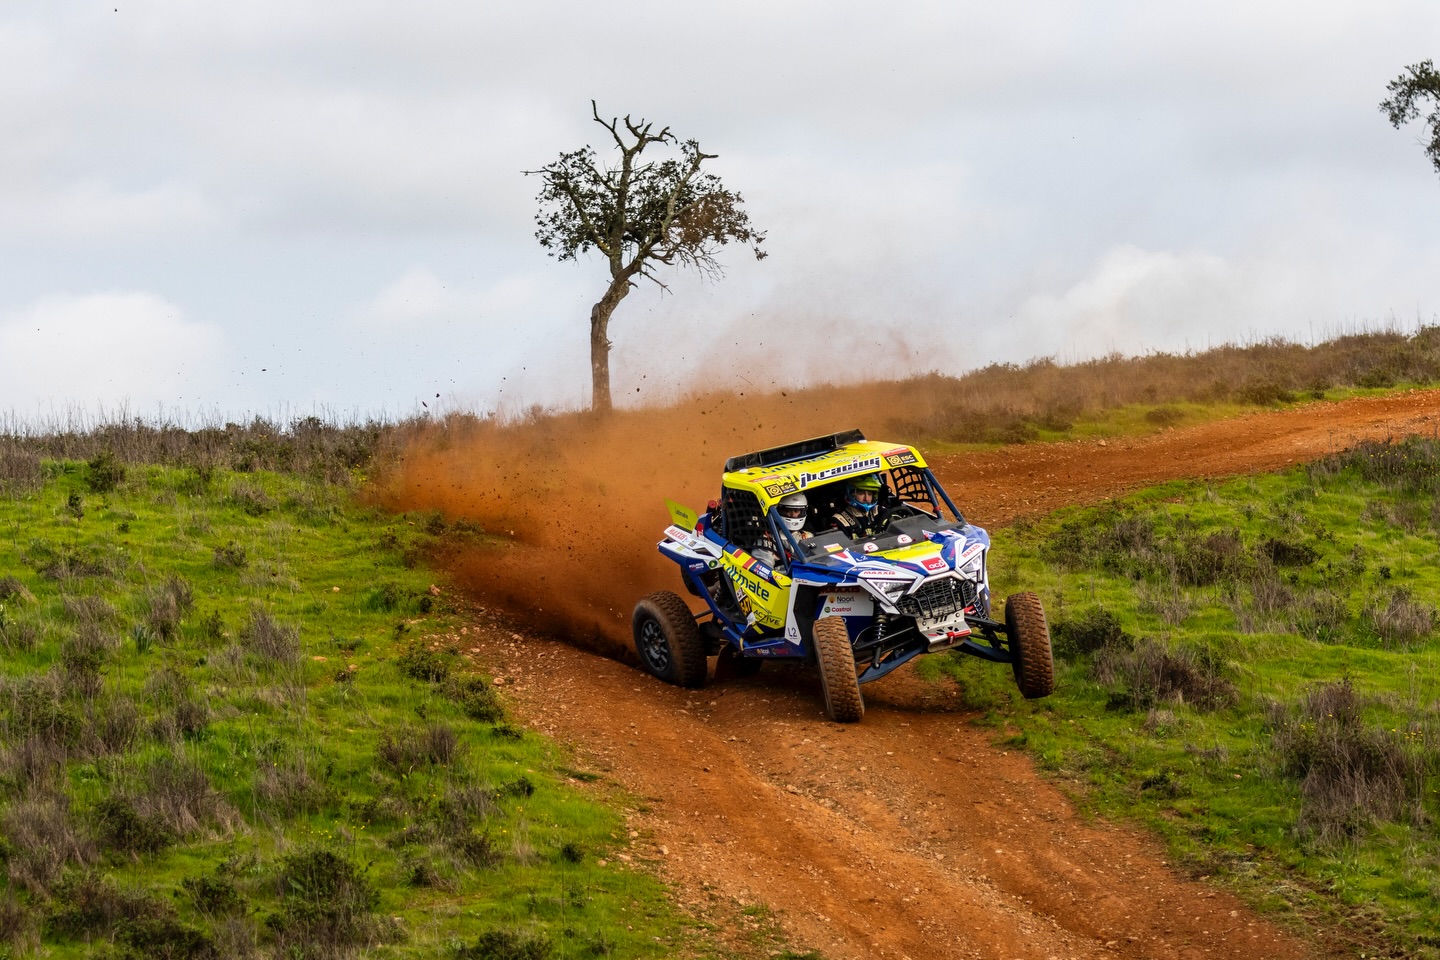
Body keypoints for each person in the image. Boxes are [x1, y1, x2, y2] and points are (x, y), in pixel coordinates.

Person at [830, 474, 889, 539]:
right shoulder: (839, 520)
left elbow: (898, 526)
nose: (866, 498)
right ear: (851, 493)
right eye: (861, 493)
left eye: (869, 494)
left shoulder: (879, 511)